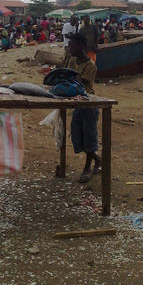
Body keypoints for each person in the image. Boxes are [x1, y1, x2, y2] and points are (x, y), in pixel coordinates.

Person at [63, 33, 101, 183]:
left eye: (72, 45)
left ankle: (88, 167)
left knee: (89, 137)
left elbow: (79, 85)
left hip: (88, 104)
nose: (70, 47)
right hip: (77, 103)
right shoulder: (71, 61)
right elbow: (65, 76)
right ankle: (98, 160)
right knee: (77, 137)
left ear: (81, 46)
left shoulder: (90, 66)